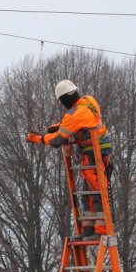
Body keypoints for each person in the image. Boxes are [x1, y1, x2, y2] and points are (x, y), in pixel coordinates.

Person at [26, 79, 113, 238]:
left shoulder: (75, 115)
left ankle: (101, 231)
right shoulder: (88, 100)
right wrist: (60, 125)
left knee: (96, 190)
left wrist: (37, 139)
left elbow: (58, 140)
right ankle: (88, 228)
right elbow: (78, 122)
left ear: (63, 99)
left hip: (95, 153)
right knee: (87, 191)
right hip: (97, 151)